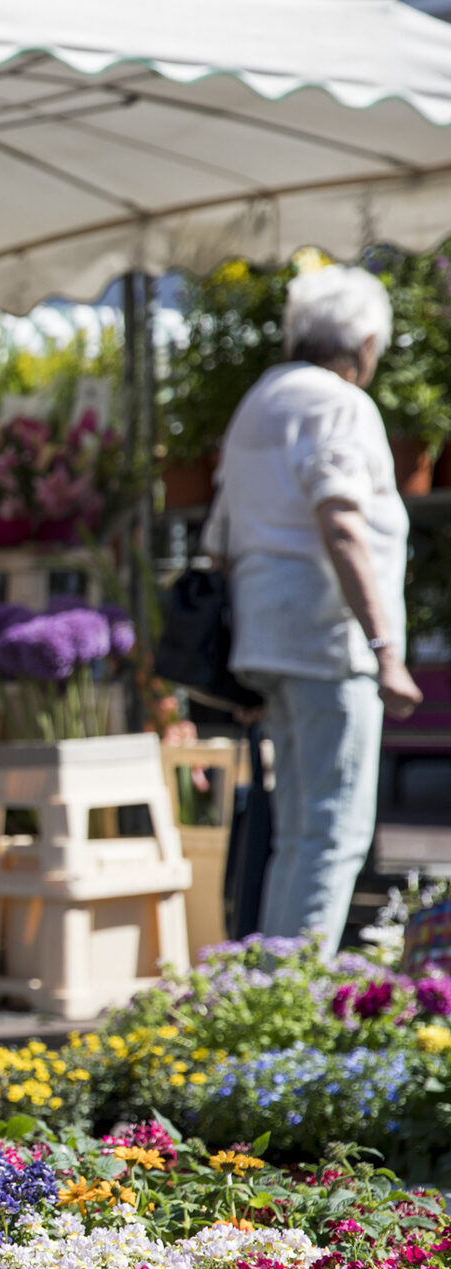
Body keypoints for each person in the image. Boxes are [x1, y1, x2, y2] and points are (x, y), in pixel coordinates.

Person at [211, 264, 422, 944]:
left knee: (296, 830)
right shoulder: (341, 403)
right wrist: (385, 646)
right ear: (364, 342)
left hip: (265, 639)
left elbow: (220, 540)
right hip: (328, 641)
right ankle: (295, 1007)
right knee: (333, 830)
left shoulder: (258, 401)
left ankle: (271, 989)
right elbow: (342, 523)